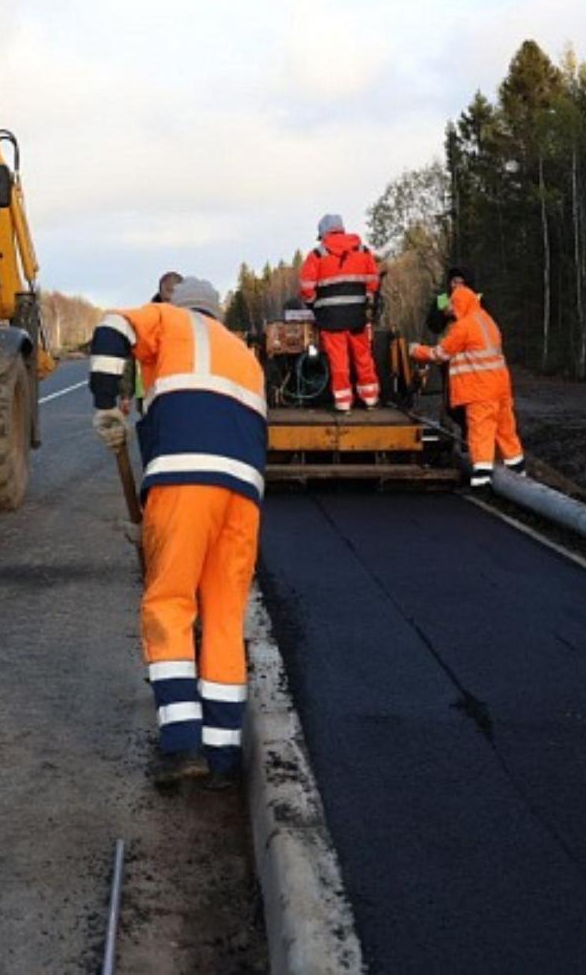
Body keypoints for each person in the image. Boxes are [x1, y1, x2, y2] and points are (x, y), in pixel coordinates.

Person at [89, 277, 267, 792]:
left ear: (178, 304)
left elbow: (112, 325)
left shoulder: (166, 320)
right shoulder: (247, 357)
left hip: (184, 482)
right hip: (243, 496)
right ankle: (224, 756)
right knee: (224, 616)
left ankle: (182, 743)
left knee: (168, 602)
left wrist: (105, 398)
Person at [409, 283, 524, 487]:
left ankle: (482, 476)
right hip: (500, 386)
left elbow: (440, 354)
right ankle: (517, 468)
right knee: (505, 427)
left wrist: (416, 351)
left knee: (480, 430)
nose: (451, 310)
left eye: (453, 305)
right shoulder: (488, 321)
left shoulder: (464, 326)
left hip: (478, 388)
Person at [298, 214, 381, 412]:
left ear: (323, 233)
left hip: (330, 319)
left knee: (339, 360)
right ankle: (370, 398)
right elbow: (373, 280)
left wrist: (313, 305)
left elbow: (306, 287)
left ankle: (343, 402)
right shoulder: (363, 250)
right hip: (357, 316)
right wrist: (367, 300)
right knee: (363, 356)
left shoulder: (317, 255)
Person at [121, 271, 183, 415]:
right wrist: (125, 394)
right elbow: (131, 356)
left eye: (174, 299)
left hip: (182, 390)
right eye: (167, 298)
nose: (170, 304)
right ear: (160, 293)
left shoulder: (193, 319)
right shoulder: (146, 320)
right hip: (149, 393)